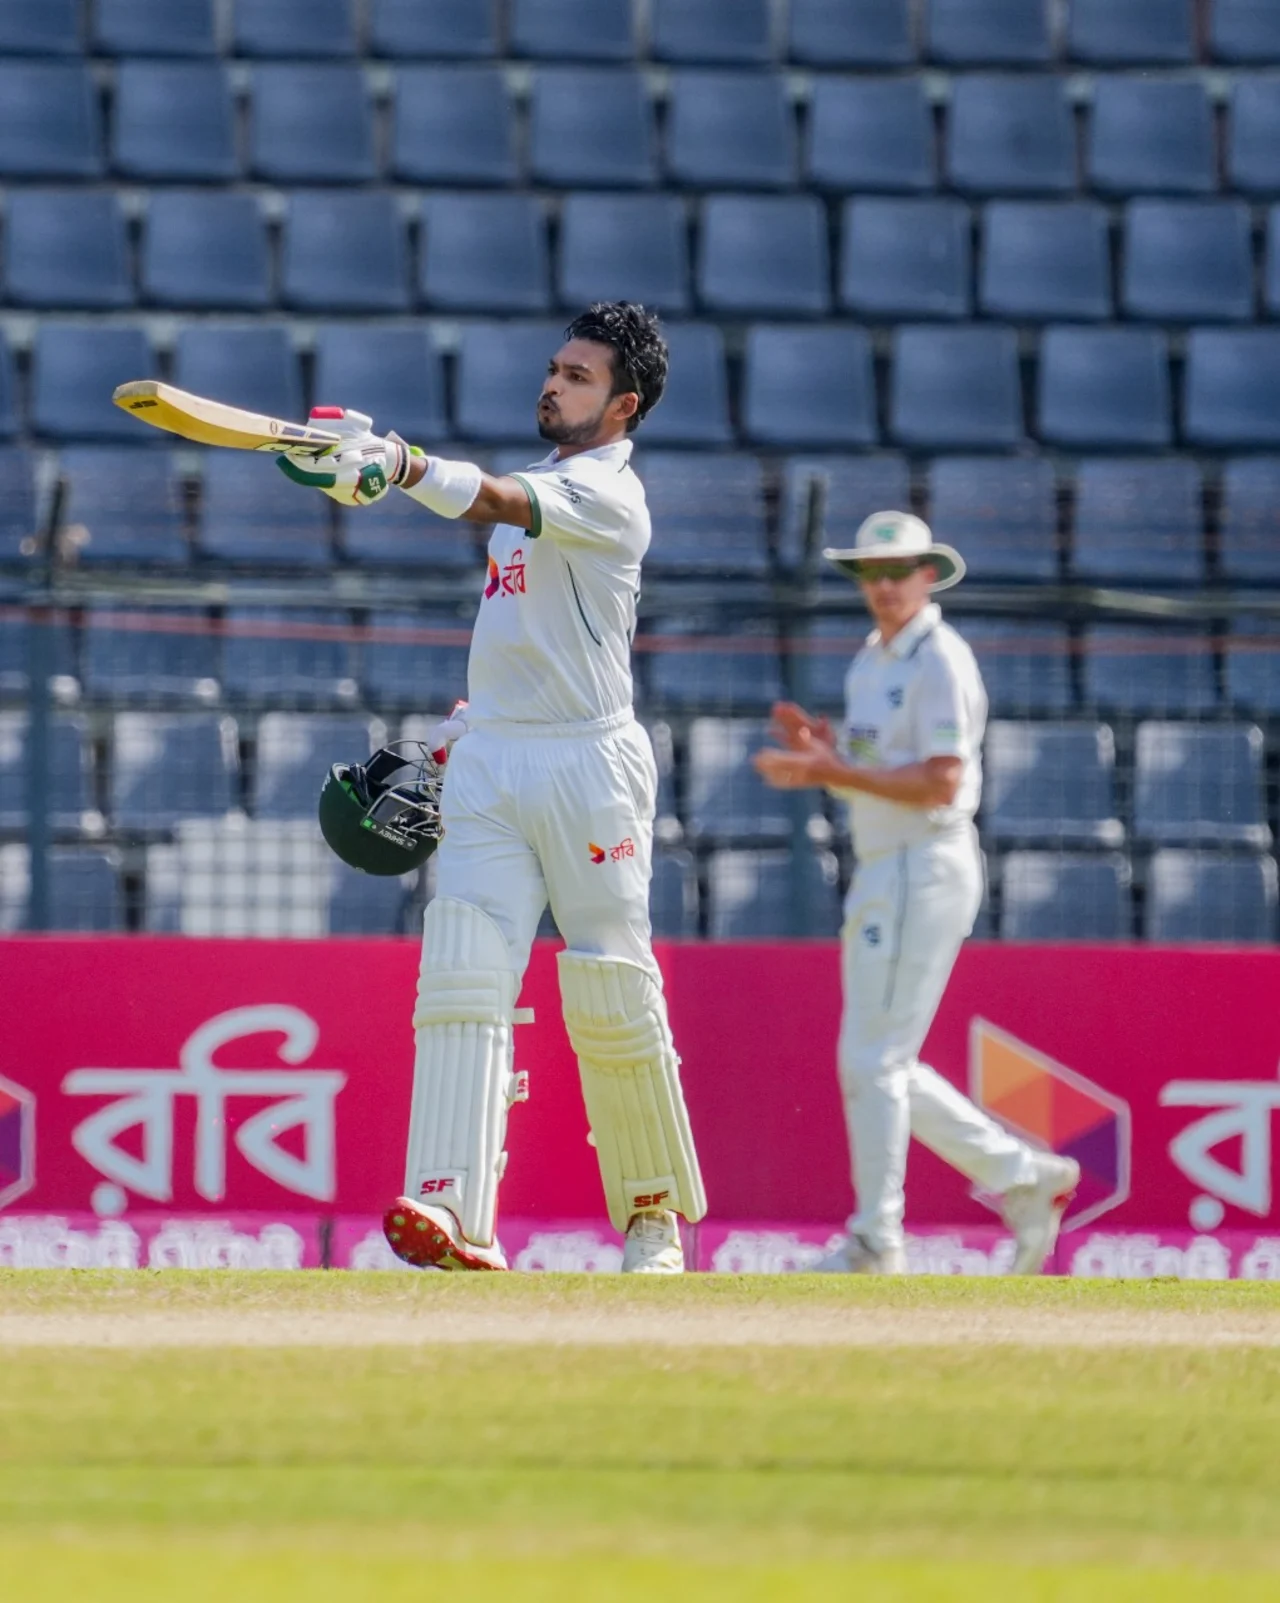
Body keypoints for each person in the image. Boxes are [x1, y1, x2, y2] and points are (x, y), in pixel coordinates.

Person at [276, 303, 705, 1273]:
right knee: (463, 967)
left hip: (590, 766)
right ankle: (452, 1205)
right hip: (494, 759)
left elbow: (492, 499)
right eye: (554, 367)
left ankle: (652, 1218)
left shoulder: (608, 496)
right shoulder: (543, 485)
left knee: (610, 983)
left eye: (578, 376)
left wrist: (399, 464)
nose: (552, 383)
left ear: (625, 404)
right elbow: (523, 637)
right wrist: (461, 732)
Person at [753, 511, 1078, 1274]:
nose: (885, 585)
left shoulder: (940, 659)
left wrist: (831, 771)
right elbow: (878, 768)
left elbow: (940, 782)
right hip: (886, 865)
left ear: (929, 575)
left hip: (921, 861)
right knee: (881, 1062)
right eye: (872, 573)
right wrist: (828, 754)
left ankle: (878, 1237)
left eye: (898, 571)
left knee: (872, 1059)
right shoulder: (872, 659)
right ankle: (1023, 1176)